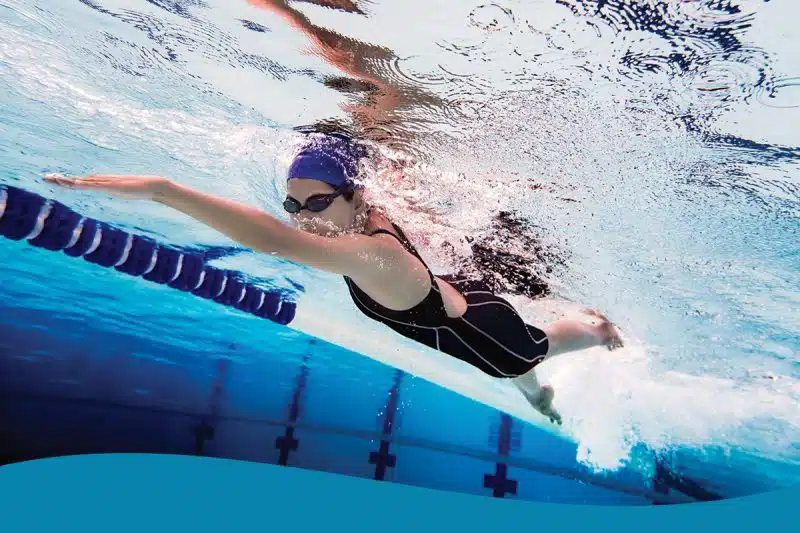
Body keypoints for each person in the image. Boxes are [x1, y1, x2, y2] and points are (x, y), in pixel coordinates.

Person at [43, 132, 623, 425]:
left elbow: (272, 238)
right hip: (453, 301)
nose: (304, 220)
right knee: (521, 376)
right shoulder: (363, 220)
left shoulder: (371, 255)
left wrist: (163, 190)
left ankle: (599, 331)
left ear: (352, 197)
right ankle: (542, 393)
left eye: (316, 203)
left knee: (529, 357)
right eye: (294, 206)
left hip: (485, 333)